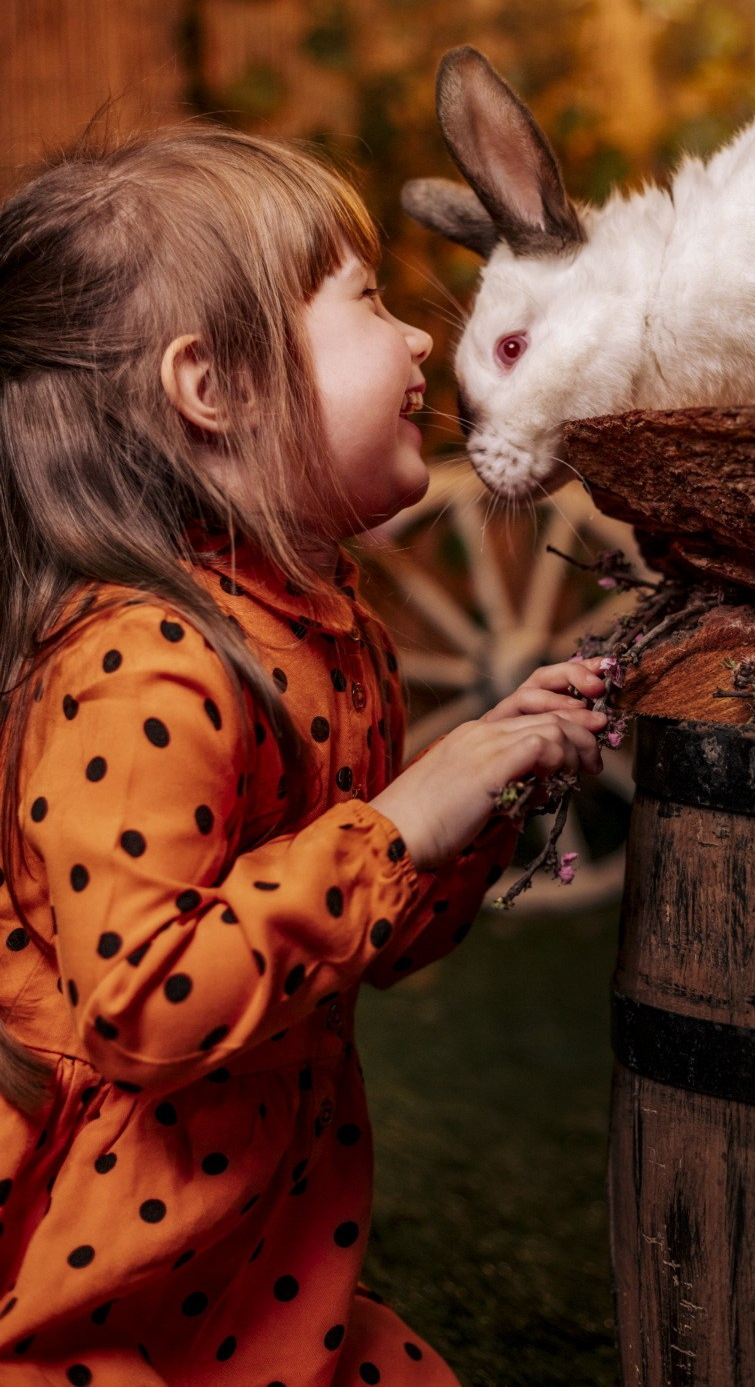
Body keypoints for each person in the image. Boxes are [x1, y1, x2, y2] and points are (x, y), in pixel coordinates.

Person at [0, 126, 607, 1385]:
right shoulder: (141, 664)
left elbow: (370, 944)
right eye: (368, 298)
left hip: (251, 1256)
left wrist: (479, 791)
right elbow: (147, 1011)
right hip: (81, 1263)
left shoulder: (329, 632)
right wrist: (395, 825)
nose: (421, 340)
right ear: (211, 388)